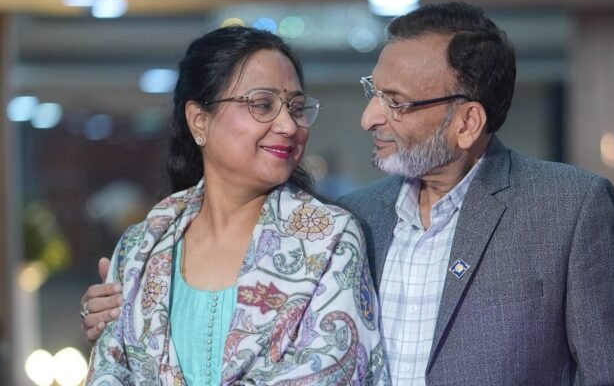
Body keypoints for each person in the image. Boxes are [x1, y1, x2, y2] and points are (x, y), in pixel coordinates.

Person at [81, 2, 614, 385]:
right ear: (197, 120)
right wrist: (112, 312)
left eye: (395, 102)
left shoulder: (567, 209)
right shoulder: (362, 215)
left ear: (467, 122)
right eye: (372, 92)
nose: (368, 118)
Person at [82, 25, 387, 385]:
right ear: (199, 120)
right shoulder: (140, 249)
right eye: (263, 105)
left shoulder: (330, 239)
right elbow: (109, 370)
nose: (288, 125)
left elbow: (330, 371)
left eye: (296, 107)